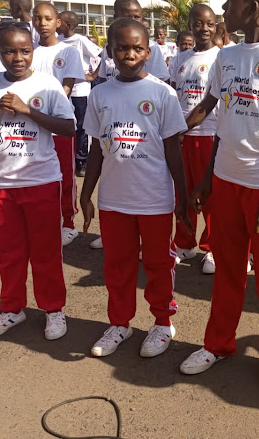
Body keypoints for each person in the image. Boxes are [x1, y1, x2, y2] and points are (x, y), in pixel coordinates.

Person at [179, 0, 259, 403]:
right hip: (227, 183)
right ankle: (218, 343)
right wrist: (207, 177)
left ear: (251, 7)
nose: (224, 7)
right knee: (227, 270)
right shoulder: (226, 59)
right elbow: (214, 118)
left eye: (231, 0)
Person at [81, 18, 189, 359]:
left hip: (154, 198)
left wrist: (183, 198)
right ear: (110, 50)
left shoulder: (162, 93)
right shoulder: (100, 94)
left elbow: (174, 150)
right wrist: (86, 193)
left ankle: (161, 322)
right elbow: (97, 148)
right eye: (122, 47)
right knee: (118, 265)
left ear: (148, 50)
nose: (130, 54)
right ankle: (120, 323)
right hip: (115, 200)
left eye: (137, 47)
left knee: (158, 264)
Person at [0, 23, 75, 341]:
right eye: (9, 51)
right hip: (1, 184)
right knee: (9, 252)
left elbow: (68, 128)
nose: (18, 58)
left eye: (25, 51)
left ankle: (53, 310)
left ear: (33, 51)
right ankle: (12, 309)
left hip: (41, 181)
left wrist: (27, 110)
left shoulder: (47, 85)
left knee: (46, 251)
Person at [168, 4, 220, 271]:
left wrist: (184, 127)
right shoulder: (179, 59)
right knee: (183, 191)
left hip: (208, 134)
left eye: (209, 24)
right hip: (181, 137)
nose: (204, 29)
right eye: (198, 23)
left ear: (216, 25)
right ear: (190, 24)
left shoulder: (221, 57)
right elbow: (175, 96)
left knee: (208, 193)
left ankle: (211, 248)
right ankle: (184, 243)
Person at [31, 3, 85, 246]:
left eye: (48, 18)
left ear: (57, 23)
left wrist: (47, 112)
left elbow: (66, 88)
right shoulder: (28, 50)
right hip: (32, 124)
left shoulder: (69, 52)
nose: (42, 22)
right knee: (36, 175)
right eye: (38, 18)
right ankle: (44, 219)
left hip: (60, 124)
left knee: (65, 174)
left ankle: (68, 223)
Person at [57, 11, 102, 177]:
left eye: (59, 21)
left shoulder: (80, 40)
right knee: (65, 125)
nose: (56, 23)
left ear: (68, 25)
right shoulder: (57, 41)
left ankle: (81, 160)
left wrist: (93, 75)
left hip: (80, 91)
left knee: (82, 127)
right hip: (61, 91)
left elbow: (102, 54)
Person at [97, 0, 170, 83]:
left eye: (137, 17)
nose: (133, 21)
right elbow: (103, 78)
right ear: (116, 17)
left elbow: (160, 81)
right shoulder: (110, 47)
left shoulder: (152, 47)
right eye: (127, 17)